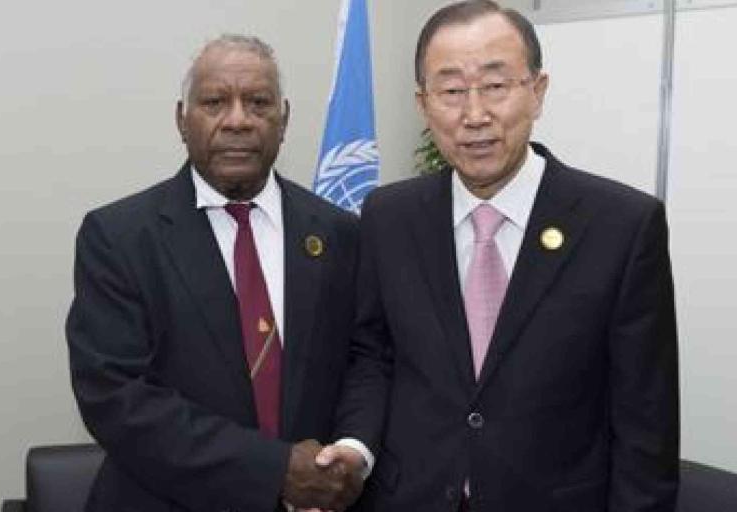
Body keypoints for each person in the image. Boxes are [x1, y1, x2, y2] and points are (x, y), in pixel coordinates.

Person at [317, 2, 680, 511]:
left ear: (538, 91)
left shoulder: (622, 226)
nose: (475, 114)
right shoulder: (388, 216)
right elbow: (373, 355)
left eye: (495, 85)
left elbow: (646, 426)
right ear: (424, 105)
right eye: (451, 91)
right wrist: (356, 446)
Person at [66, 34, 363, 512]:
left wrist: (351, 452)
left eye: (258, 102)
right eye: (214, 102)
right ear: (182, 120)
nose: (238, 120)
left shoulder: (340, 233)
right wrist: (276, 470)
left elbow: (365, 360)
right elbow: (115, 397)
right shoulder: (118, 237)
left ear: (283, 119)